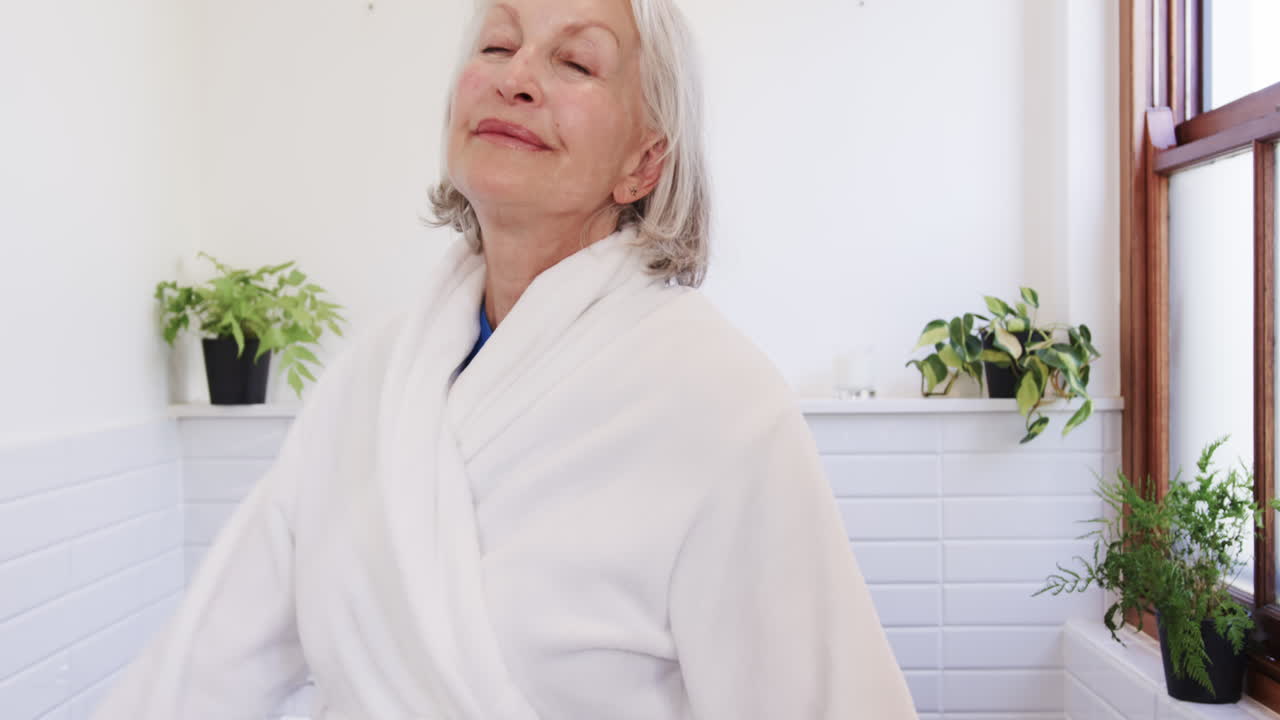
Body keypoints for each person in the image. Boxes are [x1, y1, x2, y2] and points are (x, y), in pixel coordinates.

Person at [92, 0, 917, 717]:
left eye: (575, 61)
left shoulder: (721, 406)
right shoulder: (373, 381)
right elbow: (203, 669)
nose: (516, 77)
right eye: (496, 45)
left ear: (645, 161)